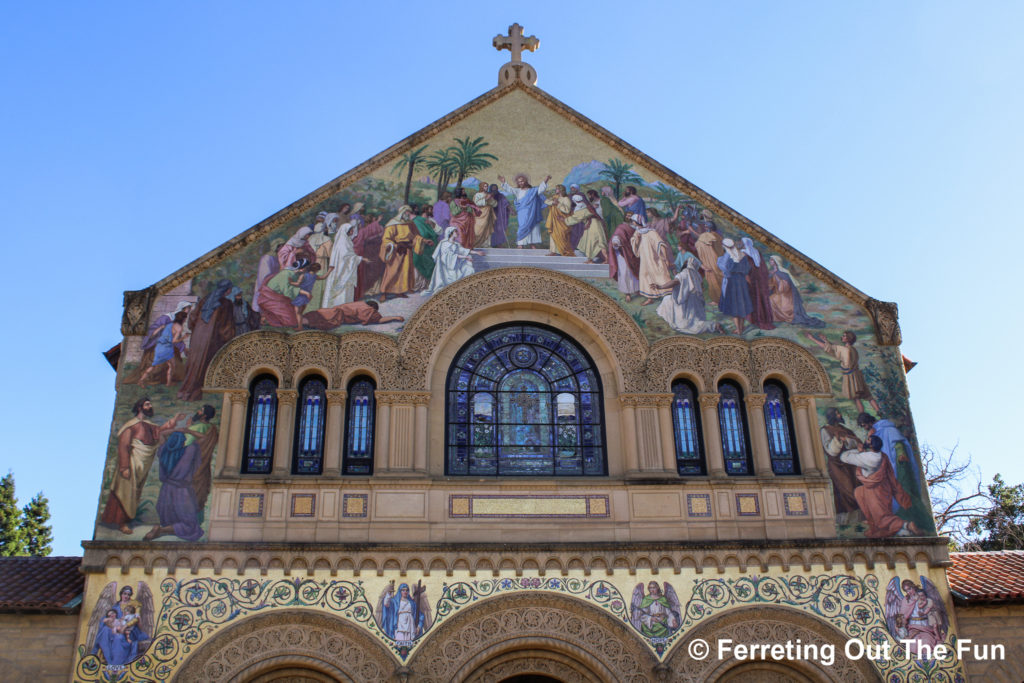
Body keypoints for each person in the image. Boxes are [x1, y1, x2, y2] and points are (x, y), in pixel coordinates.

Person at [100, 398, 184, 534]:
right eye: (147, 404)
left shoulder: (149, 425)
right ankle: (121, 523)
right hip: (130, 464)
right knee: (124, 492)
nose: (150, 406)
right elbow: (124, 446)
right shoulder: (131, 425)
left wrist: (175, 419)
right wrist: (124, 467)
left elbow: (163, 429)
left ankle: (126, 520)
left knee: (134, 493)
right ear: (140, 407)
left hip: (141, 466)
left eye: (150, 404)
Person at [144, 405, 218, 542]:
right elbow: (203, 440)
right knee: (192, 527)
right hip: (182, 493)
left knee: (169, 518)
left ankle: (162, 528)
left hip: (165, 493)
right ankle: (161, 530)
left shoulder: (165, 451)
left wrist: (177, 430)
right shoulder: (191, 450)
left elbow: (161, 435)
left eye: (200, 409)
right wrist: (188, 430)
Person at [839, 436, 921, 537]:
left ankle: (907, 525)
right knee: (859, 491)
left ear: (872, 445)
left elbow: (843, 457)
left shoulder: (868, 457)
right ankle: (879, 523)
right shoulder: (880, 455)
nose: (865, 440)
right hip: (883, 488)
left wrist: (858, 451)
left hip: (875, 491)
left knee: (882, 518)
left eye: (868, 440)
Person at [178, 279, 237, 401]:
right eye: (230, 289)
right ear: (227, 290)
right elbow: (226, 327)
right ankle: (193, 393)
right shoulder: (226, 304)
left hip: (198, 336)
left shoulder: (205, 299)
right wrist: (229, 338)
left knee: (194, 362)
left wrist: (197, 330)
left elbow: (192, 318)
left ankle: (184, 391)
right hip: (211, 339)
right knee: (204, 363)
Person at [804, 331, 881, 414]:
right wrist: (826, 340)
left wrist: (812, 338)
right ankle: (880, 412)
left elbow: (829, 348)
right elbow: (833, 348)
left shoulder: (845, 350)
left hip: (850, 376)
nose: (842, 337)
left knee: (856, 398)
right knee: (868, 396)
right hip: (857, 375)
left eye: (844, 336)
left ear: (848, 338)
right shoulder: (853, 349)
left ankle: (862, 416)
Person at [820, 407, 863, 525]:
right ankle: (847, 520)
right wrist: (838, 440)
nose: (840, 415)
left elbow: (854, 442)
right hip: (837, 465)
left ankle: (860, 518)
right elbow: (830, 450)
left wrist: (848, 441)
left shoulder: (844, 429)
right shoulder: (825, 430)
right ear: (832, 416)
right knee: (845, 490)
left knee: (856, 487)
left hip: (850, 464)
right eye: (837, 413)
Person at [656, 255, 721, 333]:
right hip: (696, 303)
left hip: (686, 303)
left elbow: (675, 281)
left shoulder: (685, 272)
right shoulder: (697, 275)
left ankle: (713, 325)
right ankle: (713, 325)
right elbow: (696, 286)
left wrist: (661, 287)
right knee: (668, 299)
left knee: (667, 300)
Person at [380, 205, 433, 298]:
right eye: (407, 212)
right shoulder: (392, 224)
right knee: (392, 271)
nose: (409, 214)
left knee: (405, 272)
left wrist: (425, 241)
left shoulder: (410, 223)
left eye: (410, 212)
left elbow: (416, 236)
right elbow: (386, 239)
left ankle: (400, 291)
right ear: (402, 213)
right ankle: (384, 292)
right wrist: (395, 245)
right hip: (396, 250)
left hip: (407, 249)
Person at [136, 302, 191, 386]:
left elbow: (159, 332)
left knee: (155, 365)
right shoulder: (173, 323)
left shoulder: (169, 324)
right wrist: (184, 337)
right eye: (187, 310)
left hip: (160, 347)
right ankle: (168, 383)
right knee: (172, 366)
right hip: (167, 348)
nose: (189, 311)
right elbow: (174, 340)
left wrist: (183, 347)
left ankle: (141, 380)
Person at [767, 255, 825, 327]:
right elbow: (770, 285)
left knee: (771, 299)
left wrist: (777, 278)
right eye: (770, 260)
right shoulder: (772, 272)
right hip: (778, 294)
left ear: (776, 262)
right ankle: (774, 317)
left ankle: (780, 317)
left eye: (772, 260)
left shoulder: (783, 272)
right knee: (770, 298)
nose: (770, 261)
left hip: (786, 297)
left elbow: (785, 287)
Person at [630, 214, 674, 305]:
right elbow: (634, 244)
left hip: (654, 259)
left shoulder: (651, 232)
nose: (632, 223)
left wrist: (665, 258)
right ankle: (650, 298)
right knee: (645, 277)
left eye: (633, 221)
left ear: (637, 222)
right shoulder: (637, 232)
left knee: (660, 275)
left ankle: (667, 296)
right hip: (644, 261)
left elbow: (660, 244)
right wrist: (636, 239)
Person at [499, 173, 551, 248]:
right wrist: (504, 182)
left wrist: (546, 180)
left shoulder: (532, 190)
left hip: (532, 212)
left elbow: (541, 189)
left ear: (526, 181)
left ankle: (532, 243)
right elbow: (510, 189)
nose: (521, 183)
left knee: (532, 227)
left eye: (522, 181)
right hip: (522, 212)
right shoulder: (518, 191)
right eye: (519, 182)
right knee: (522, 227)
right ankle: (520, 244)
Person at [426, 226, 483, 294]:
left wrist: (477, 252)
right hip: (447, 269)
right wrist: (465, 257)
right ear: (451, 233)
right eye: (455, 231)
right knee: (455, 279)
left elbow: (464, 250)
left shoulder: (456, 244)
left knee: (470, 269)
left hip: (455, 265)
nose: (457, 233)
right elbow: (449, 257)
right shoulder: (444, 244)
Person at [321, 221, 364, 309]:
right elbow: (346, 257)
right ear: (346, 231)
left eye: (352, 229)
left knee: (347, 292)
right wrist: (359, 258)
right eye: (350, 230)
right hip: (342, 271)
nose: (352, 231)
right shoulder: (342, 242)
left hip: (346, 270)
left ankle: (345, 311)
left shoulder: (347, 240)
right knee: (341, 292)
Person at [717, 238, 753, 334]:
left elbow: (725, 268)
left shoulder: (727, 256)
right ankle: (740, 327)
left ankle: (739, 329)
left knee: (734, 307)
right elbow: (746, 269)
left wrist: (719, 261)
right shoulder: (742, 255)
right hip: (741, 282)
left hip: (732, 283)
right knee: (741, 305)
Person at [741, 237, 775, 330]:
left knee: (754, 298)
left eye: (742, 242)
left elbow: (744, 268)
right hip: (760, 279)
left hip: (751, 279)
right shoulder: (757, 252)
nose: (741, 244)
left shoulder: (743, 253)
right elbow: (763, 268)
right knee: (760, 298)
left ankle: (755, 319)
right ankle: (762, 318)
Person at [565, 192, 608, 263]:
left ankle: (606, 259)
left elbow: (577, 217)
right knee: (589, 243)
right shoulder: (585, 207)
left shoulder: (585, 208)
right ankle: (590, 259)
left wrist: (565, 220)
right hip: (591, 225)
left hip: (594, 225)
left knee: (597, 242)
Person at [302, 299, 404, 329]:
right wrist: (395, 317)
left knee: (317, 315)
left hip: (333, 311)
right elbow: (379, 320)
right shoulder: (369, 310)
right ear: (373, 308)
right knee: (321, 319)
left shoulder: (359, 304)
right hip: (337, 315)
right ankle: (301, 322)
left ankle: (299, 321)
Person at [608, 215, 641, 302]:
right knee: (625, 273)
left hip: (633, 253)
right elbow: (616, 237)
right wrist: (616, 243)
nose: (629, 217)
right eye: (628, 216)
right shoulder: (621, 227)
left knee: (635, 271)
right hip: (623, 254)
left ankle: (637, 290)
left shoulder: (634, 227)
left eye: (631, 216)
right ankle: (628, 294)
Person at [353, 213, 385, 299]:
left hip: (372, 251)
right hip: (371, 251)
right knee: (371, 270)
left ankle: (371, 289)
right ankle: (371, 289)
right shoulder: (369, 229)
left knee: (373, 269)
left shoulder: (364, 230)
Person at [253, 240, 285, 314]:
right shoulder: (267, 258)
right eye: (281, 246)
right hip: (266, 284)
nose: (283, 248)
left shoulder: (278, 257)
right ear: (276, 247)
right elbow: (264, 274)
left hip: (274, 283)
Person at [544, 184, 575, 255]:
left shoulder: (566, 199)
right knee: (553, 235)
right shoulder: (555, 197)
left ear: (561, 190)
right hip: (554, 220)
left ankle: (563, 251)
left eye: (557, 189)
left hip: (561, 220)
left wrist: (558, 204)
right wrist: (552, 202)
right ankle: (553, 251)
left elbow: (567, 210)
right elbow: (546, 201)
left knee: (561, 236)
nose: (556, 190)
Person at [411, 205, 440, 281]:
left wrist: (432, 225)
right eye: (430, 209)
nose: (432, 211)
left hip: (431, 246)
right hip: (421, 246)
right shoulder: (417, 220)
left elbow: (439, 231)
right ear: (425, 210)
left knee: (431, 263)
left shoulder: (431, 220)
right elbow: (419, 233)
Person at [472, 182, 497, 247]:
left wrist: (491, 200)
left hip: (488, 213)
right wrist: (486, 199)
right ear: (481, 187)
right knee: (478, 229)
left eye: (487, 186)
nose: (486, 187)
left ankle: (486, 244)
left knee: (487, 228)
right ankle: (477, 243)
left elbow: (495, 204)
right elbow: (476, 203)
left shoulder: (488, 194)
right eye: (485, 186)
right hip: (480, 214)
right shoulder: (478, 194)